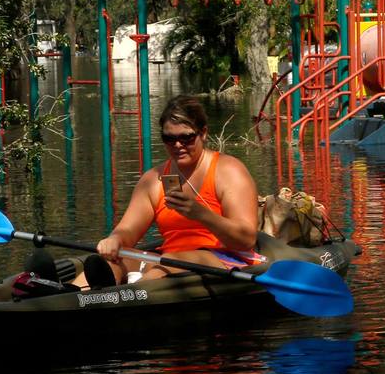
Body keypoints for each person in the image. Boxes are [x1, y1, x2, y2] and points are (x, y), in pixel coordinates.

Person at [75, 95, 259, 287]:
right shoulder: (153, 179)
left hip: (222, 259)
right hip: (169, 258)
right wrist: (115, 239)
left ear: (203, 133)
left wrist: (201, 214)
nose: (178, 145)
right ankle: (69, 294)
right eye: (169, 139)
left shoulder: (229, 171)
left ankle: (126, 297)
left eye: (186, 138)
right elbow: (128, 230)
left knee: (166, 266)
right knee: (112, 260)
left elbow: (246, 239)